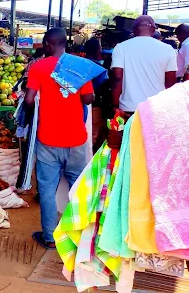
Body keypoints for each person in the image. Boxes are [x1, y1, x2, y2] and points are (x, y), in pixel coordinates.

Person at [24, 28, 95, 249]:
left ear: (47, 44)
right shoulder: (78, 66)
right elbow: (89, 98)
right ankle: (80, 237)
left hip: (49, 138)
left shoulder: (39, 66)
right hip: (76, 138)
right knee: (78, 189)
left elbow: (28, 99)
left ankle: (49, 237)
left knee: (46, 189)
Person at [111, 15, 177, 114]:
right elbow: (170, 81)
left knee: (130, 130)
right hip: (157, 107)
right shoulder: (168, 49)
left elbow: (117, 77)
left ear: (134, 30)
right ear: (154, 29)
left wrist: (115, 104)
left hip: (129, 107)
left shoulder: (121, 47)